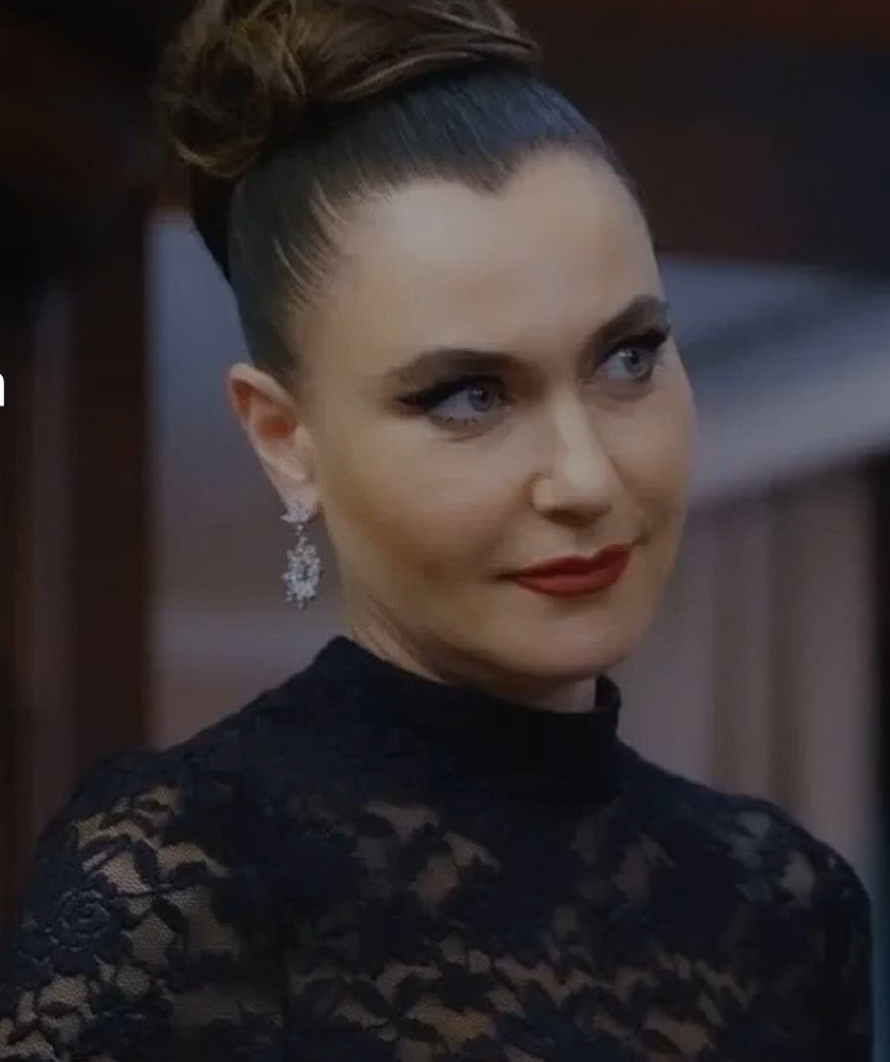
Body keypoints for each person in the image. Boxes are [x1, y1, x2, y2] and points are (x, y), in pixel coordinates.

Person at [0, 0, 873, 1058]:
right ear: (284, 438)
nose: (586, 478)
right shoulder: (176, 877)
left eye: (628, 357)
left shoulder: (786, 906)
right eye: (468, 396)